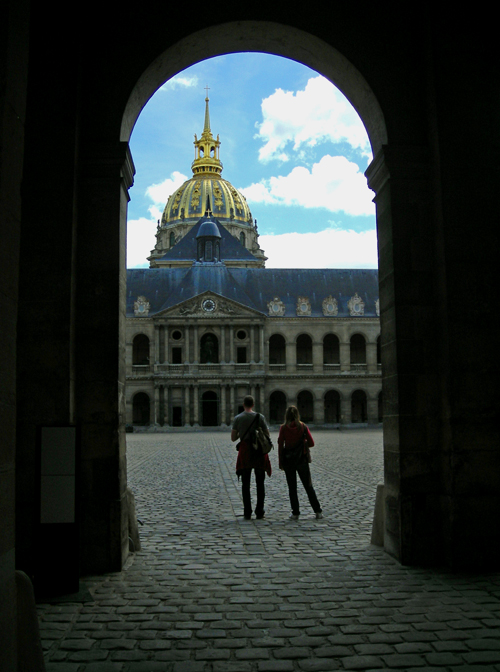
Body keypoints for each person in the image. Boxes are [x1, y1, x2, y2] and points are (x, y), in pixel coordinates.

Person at [278, 406, 323, 520]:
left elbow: (280, 446)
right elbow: (312, 443)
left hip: (288, 460)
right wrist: (304, 443)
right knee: (308, 486)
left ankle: (296, 513)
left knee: (292, 488)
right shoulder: (303, 426)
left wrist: (280, 461)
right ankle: (318, 511)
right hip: (301, 460)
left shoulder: (283, 428)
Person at [231, 395, 272, 520]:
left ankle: (247, 511)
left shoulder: (238, 418)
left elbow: (233, 438)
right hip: (258, 450)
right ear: (253, 405)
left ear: (243, 405)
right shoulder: (260, 417)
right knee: (260, 482)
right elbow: (267, 434)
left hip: (245, 451)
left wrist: (242, 432)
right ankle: (260, 511)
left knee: (246, 483)